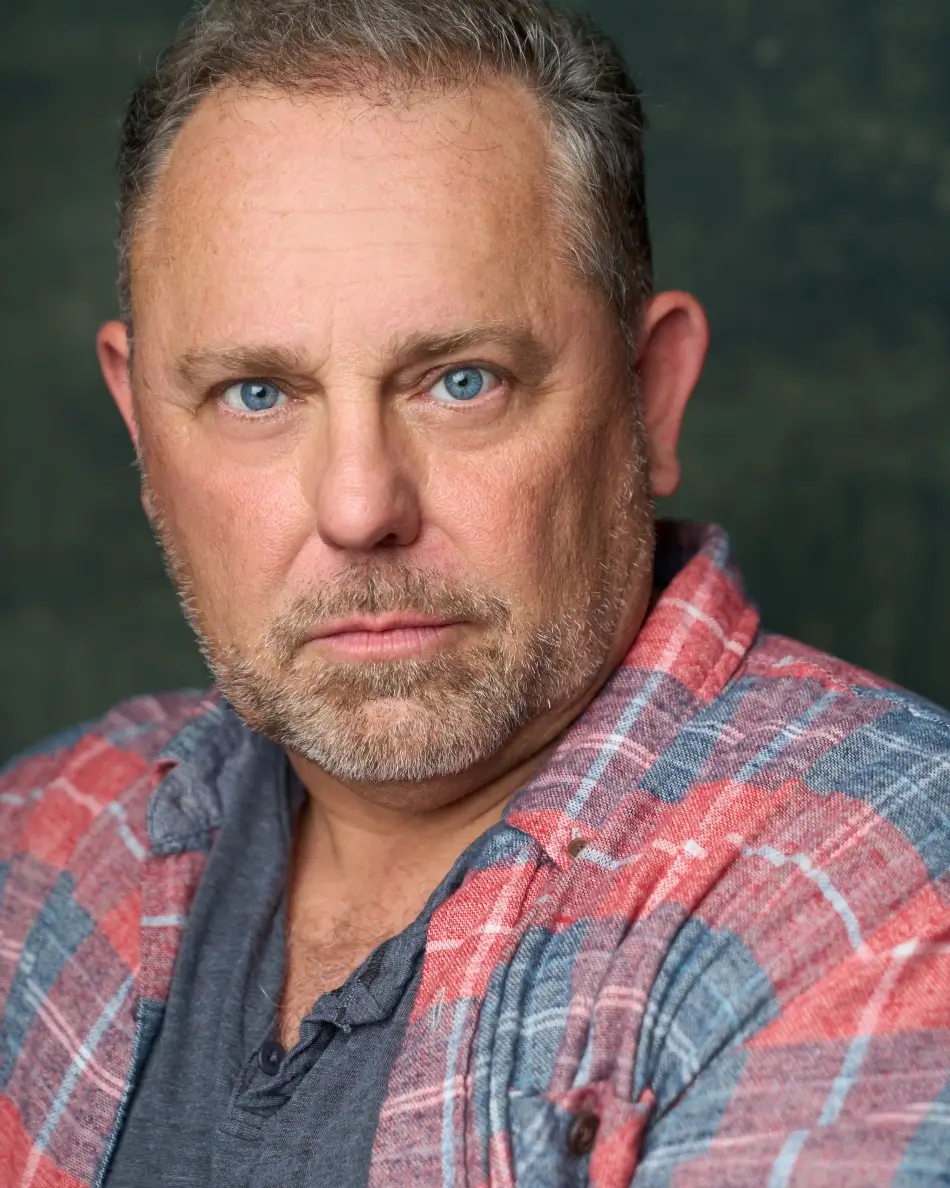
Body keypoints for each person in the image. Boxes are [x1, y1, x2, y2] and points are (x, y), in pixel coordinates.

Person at [2, 0, 949, 1184]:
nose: (358, 507)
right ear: (141, 427)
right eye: (256, 393)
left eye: (461, 381)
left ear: (648, 399)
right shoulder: (36, 843)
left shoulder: (873, 899)